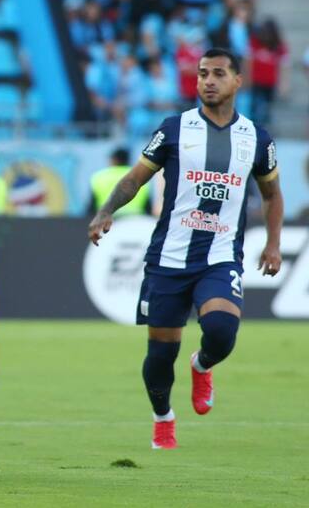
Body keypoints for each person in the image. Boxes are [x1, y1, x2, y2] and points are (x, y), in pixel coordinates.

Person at [88, 48, 283, 449]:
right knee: (160, 356)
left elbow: (272, 195)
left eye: (218, 73)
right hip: (168, 258)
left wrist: (274, 245)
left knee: (221, 330)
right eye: (202, 74)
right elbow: (135, 178)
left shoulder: (256, 138)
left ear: (237, 81)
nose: (208, 81)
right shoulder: (175, 129)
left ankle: (203, 364)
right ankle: (163, 417)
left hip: (220, 255)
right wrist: (105, 211)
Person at [87, 147, 150, 216]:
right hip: (135, 219)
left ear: (114, 159)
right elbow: (148, 206)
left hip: (107, 219)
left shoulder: (99, 177)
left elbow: (91, 207)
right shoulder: (140, 175)